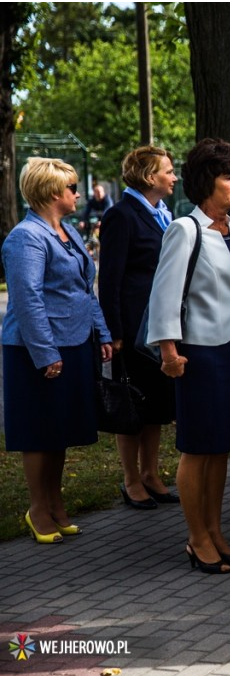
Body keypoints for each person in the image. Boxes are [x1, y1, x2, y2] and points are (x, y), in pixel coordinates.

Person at [147, 139, 230, 573]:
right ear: (205, 182)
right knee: (198, 450)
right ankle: (197, 539)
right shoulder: (184, 229)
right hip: (196, 355)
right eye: (229, 177)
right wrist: (169, 352)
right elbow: (165, 295)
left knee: (221, 450)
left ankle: (215, 532)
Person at [3, 158, 113, 544]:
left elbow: (84, 287)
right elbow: (27, 297)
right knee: (39, 431)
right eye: (72, 188)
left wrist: (102, 333)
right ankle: (37, 509)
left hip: (75, 341)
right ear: (53, 193)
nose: (78, 194)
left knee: (60, 429)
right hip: (36, 349)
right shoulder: (25, 237)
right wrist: (45, 352)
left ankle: (55, 502)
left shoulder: (68, 232)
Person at [98, 146, 180, 510]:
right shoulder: (122, 215)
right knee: (133, 404)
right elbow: (110, 279)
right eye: (168, 170)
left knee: (157, 405)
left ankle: (151, 473)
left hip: (160, 326)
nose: (174, 176)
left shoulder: (163, 213)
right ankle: (131, 479)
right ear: (150, 177)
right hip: (132, 328)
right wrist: (113, 332)